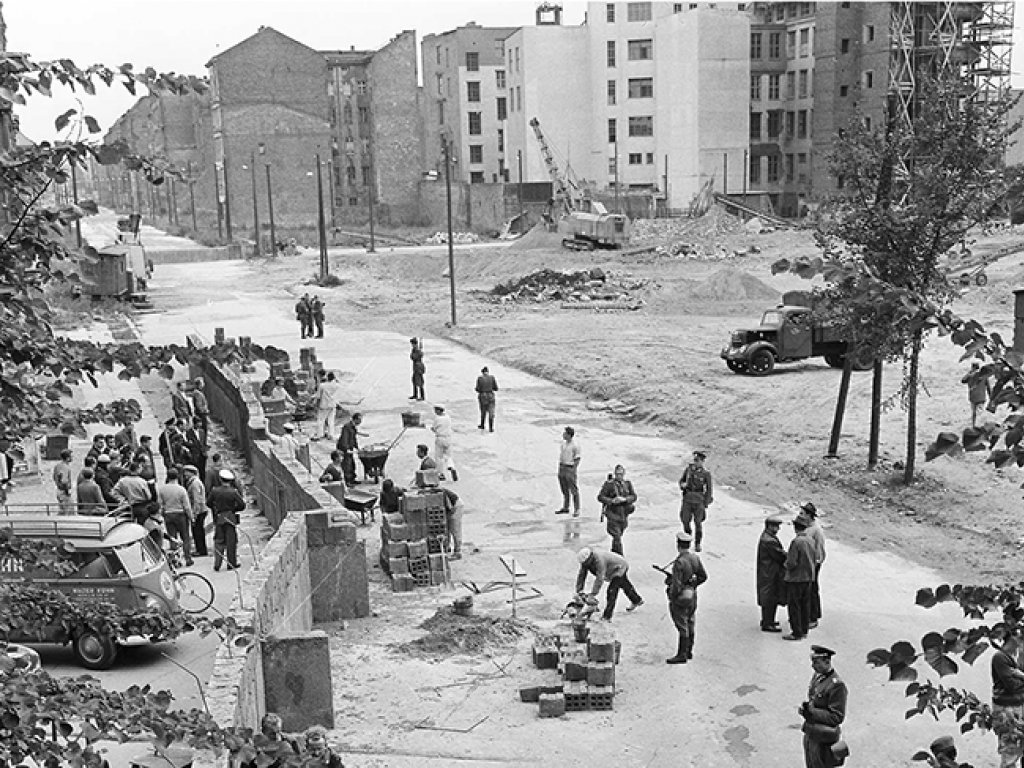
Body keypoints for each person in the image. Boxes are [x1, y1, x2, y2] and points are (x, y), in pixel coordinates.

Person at [799, 645, 848, 768]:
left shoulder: (837, 685)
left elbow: (837, 716)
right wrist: (806, 710)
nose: (812, 666)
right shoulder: (818, 676)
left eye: (816, 662)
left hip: (823, 739)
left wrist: (812, 712)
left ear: (827, 662)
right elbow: (813, 698)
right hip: (811, 733)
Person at [664, 529, 708, 664]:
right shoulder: (695, 558)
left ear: (678, 545)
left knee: (682, 624)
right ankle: (689, 651)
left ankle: (681, 654)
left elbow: (676, 585)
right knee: (690, 621)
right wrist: (692, 585)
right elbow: (703, 576)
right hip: (692, 595)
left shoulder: (679, 562)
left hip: (681, 597)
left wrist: (672, 596)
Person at [574, 546, 642, 621]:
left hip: (619, 567)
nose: (585, 566)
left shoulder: (599, 560)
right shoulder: (586, 562)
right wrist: (579, 590)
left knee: (612, 591)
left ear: (590, 558)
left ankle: (607, 616)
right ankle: (637, 600)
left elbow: (600, 578)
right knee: (624, 584)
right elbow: (581, 575)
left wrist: (593, 594)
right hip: (612, 568)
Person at [991, 624, 1024, 768]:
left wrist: (1020, 674)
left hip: (1019, 706)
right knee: (1010, 752)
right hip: (1007, 709)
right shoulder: (1000, 657)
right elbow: (1012, 685)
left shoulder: (1017, 658)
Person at [784, 511, 817, 641]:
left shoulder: (796, 542)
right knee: (805, 605)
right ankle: (804, 630)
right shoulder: (810, 540)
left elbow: (791, 562)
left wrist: (785, 565)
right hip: (808, 577)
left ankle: (796, 632)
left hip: (796, 578)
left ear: (795, 527)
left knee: (794, 606)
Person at [208, 468, 245, 571]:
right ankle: (231, 563)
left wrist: (216, 508)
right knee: (231, 542)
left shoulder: (215, 491)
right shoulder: (233, 492)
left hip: (219, 518)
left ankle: (217, 564)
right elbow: (242, 505)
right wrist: (233, 509)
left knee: (219, 541)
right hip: (230, 518)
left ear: (221, 479)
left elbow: (208, 503)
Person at [757, 513, 787, 632]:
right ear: (769, 526)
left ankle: (768, 620)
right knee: (770, 598)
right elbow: (780, 556)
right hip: (770, 573)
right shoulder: (769, 540)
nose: (778, 529)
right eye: (776, 526)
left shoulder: (767, 537)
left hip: (768, 572)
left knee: (769, 597)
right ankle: (767, 622)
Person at [597, 464, 637, 555]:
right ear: (615, 474)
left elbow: (634, 496)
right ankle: (620, 557)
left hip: (623, 515)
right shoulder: (609, 484)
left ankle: (613, 554)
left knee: (619, 536)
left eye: (621, 474)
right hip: (613, 514)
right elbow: (600, 497)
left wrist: (625, 499)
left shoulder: (627, 484)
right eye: (618, 474)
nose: (619, 476)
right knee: (617, 537)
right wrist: (612, 501)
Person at [678, 450, 713, 552]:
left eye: (697, 460)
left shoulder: (706, 474)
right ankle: (687, 540)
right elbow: (681, 481)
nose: (695, 462)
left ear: (702, 461)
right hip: (688, 499)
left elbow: (709, 489)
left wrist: (706, 503)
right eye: (695, 460)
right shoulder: (689, 470)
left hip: (699, 500)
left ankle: (698, 543)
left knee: (698, 523)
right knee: (685, 520)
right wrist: (682, 485)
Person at [158, 468, 193, 563]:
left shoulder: (162, 489)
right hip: (180, 515)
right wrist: (191, 517)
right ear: (177, 476)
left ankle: (174, 559)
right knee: (185, 537)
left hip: (168, 515)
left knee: (172, 538)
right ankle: (188, 558)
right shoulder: (181, 489)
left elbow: (160, 504)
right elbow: (187, 506)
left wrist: (161, 515)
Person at [802, 501, 827, 629]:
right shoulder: (807, 527)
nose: (801, 515)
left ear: (809, 515)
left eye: (803, 513)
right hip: (807, 562)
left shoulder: (816, 530)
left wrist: (817, 562)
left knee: (812, 589)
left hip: (814, 563)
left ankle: (813, 616)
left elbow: (820, 548)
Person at [182, 464, 209, 557]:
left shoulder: (194, 484)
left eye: (186, 472)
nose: (185, 475)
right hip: (200, 510)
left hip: (199, 510)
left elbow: (197, 500)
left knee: (197, 531)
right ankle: (200, 549)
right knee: (198, 530)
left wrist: (194, 513)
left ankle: (201, 550)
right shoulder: (193, 482)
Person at [555, 426, 581, 517]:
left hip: (569, 467)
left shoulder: (575, 446)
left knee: (573, 489)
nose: (563, 435)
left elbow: (577, 458)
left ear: (569, 435)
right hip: (562, 466)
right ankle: (565, 507)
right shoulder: (563, 444)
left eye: (565, 433)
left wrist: (573, 470)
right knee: (564, 488)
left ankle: (577, 509)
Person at [431, 404, 458, 481]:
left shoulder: (437, 419)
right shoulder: (448, 417)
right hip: (448, 438)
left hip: (440, 438)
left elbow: (434, 428)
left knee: (439, 457)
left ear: (438, 410)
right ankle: (451, 466)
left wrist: (433, 429)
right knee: (448, 456)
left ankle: (441, 474)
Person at [962, 361, 991, 428]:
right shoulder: (983, 376)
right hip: (981, 397)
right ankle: (979, 427)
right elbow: (988, 387)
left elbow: (963, 380)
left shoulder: (970, 376)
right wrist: (991, 397)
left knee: (974, 413)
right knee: (979, 413)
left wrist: (969, 372)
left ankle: (974, 426)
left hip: (972, 397)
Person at [337, 413, 364, 486]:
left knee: (352, 464)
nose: (360, 422)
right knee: (347, 465)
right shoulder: (347, 427)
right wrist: (346, 449)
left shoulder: (353, 427)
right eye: (360, 420)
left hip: (350, 448)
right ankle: (348, 481)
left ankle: (352, 479)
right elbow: (344, 439)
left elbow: (354, 439)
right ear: (355, 419)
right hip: (344, 449)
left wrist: (357, 448)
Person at [315, 372, 342, 440]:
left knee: (321, 420)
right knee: (331, 421)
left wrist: (317, 405)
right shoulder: (337, 385)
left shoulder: (322, 385)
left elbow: (318, 396)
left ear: (327, 378)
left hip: (323, 405)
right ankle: (331, 434)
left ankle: (320, 434)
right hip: (332, 405)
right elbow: (338, 383)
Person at [475, 366, 498, 432]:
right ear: (488, 371)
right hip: (491, 396)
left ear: (482, 372)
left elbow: (478, 389)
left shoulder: (480, 378)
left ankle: (482, 425)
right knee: (491, 411)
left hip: (483, 396)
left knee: (483, 411)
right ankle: (491, 428)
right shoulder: (492, 378)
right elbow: (496, 388)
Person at [53, 449, 74, 514]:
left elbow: (54, 477)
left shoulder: (57, 466)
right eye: (71, 456)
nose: (73, 458)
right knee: (68, 512)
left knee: (62, 510)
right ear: (68, 458)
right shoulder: (65, 467)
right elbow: (64, 481)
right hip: (64, 492)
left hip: (58, 490)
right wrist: (67, 491)